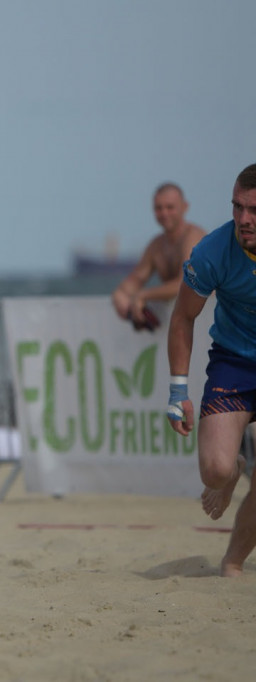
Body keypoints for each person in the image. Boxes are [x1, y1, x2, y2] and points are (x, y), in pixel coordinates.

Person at [167, 163, 256, 577]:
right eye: (237, 207)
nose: (244, 220)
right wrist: (177, 391)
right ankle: (236, 467)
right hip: (234, 363)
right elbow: (183, 316)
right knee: (215, 471)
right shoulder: (213, 250)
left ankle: (233, 563)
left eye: (253, 210)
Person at [112, 183, 205, 330]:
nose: (164, 213)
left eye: (170, 207)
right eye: (158, 208)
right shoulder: (157, 245)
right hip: (179, 324)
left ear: (185, 207)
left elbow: (186, 283)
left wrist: (143, 295)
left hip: (206, 321)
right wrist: (121, 295)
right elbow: (136, 279)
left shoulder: (193, 237)